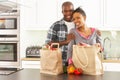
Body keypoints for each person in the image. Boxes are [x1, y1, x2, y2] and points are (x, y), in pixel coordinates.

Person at [45, 1, 75, 72]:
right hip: (61, 64)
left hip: (77, 64)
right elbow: (48, 44)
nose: (68, 13)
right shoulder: (55, 26)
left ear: (74, 11)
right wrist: (66, 42)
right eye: (65, 11)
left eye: (70, 11)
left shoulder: (78, 25)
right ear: (62, 12)